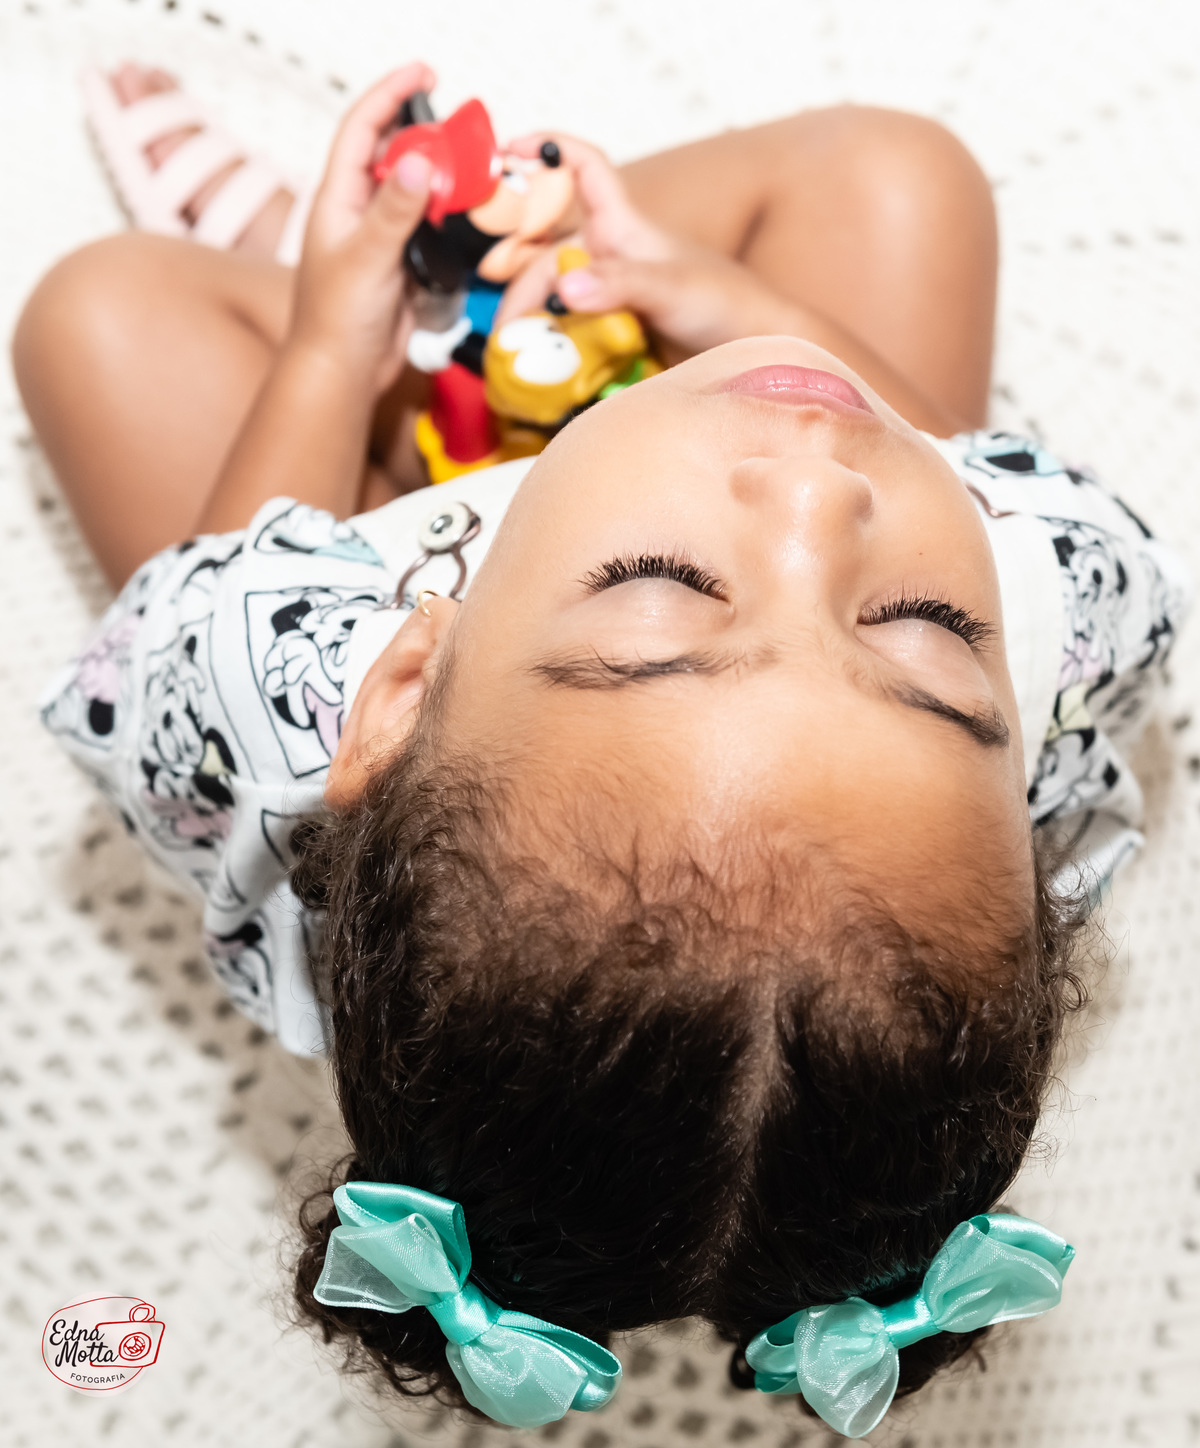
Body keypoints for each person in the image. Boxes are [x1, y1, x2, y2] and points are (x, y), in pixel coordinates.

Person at [12, 61, 1188, 1439]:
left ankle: (399, 351)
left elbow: (218, 587)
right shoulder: (1064, 613)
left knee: (93, 316)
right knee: (899, 176)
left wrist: (332, 345)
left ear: (408, 688)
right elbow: (938, 465)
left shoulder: (291, 693)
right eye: (924, 630)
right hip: (653, 460)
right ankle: (546, 309)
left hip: (369, 562)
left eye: (662, 591)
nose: (816, 497)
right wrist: (715, 305)